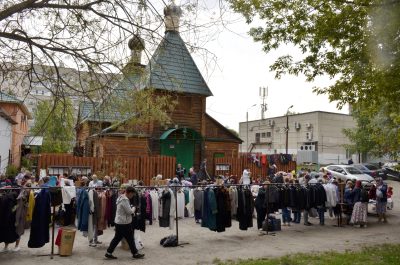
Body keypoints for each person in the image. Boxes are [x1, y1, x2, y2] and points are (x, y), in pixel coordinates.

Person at [105, 186, 144, 259]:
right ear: (129, 193)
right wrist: (134, 208)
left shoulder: (121, 197)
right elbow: (129, 212)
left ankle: (109, 252)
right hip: (124, 223)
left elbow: (125, 209)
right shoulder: (125, 200)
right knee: (127, 238)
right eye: (132, 194)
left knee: (121, 238)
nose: (132, 196)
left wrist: (130, 207)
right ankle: (135, 253)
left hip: (120, 222)